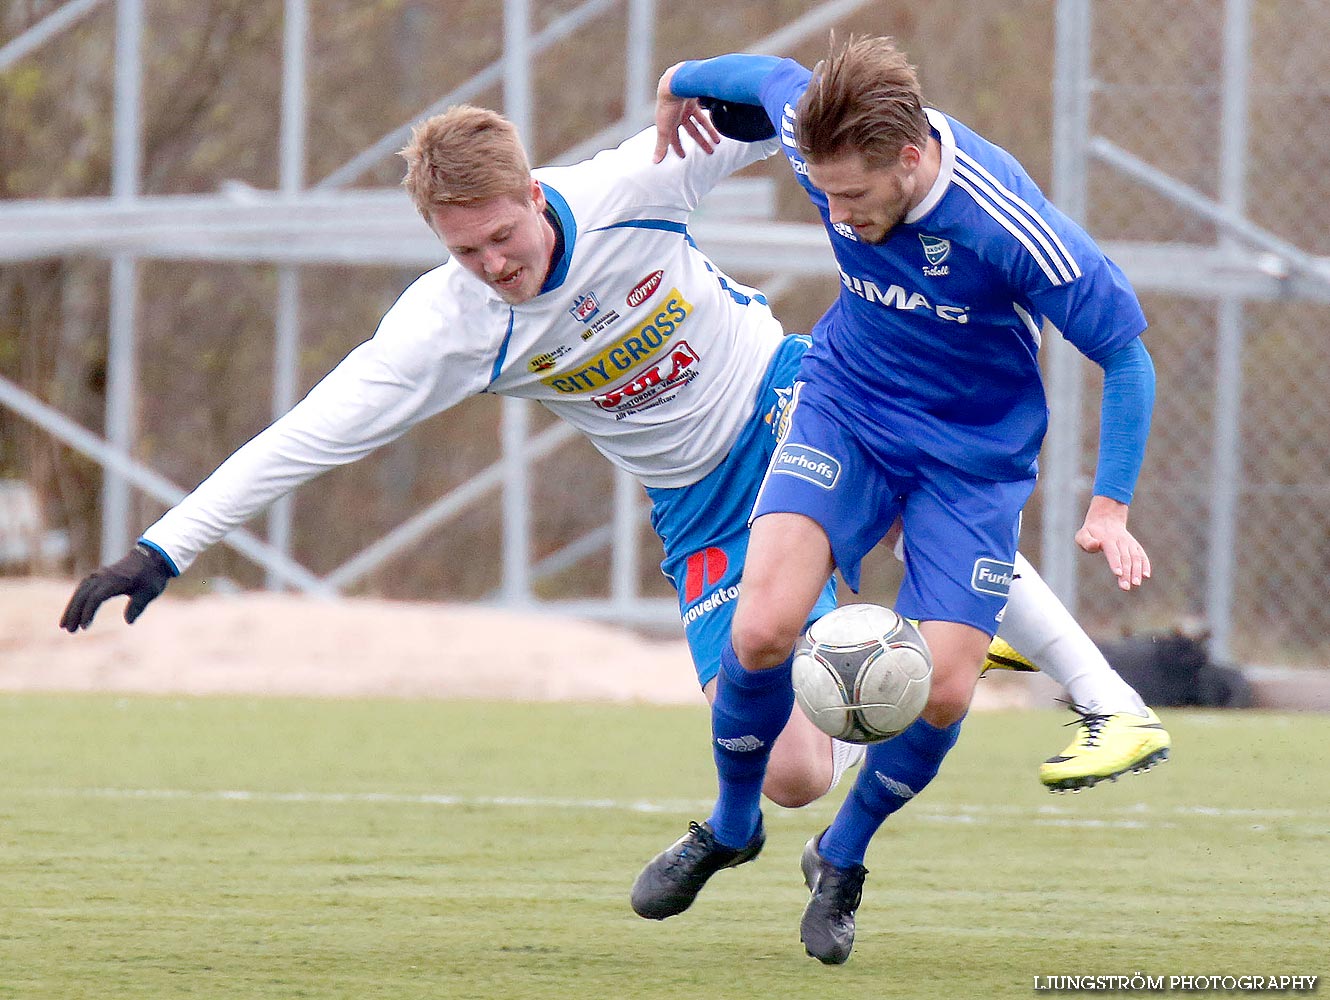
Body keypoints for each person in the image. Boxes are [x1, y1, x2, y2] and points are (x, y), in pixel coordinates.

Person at [58, 104, 1156, 816]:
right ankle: (907, 646)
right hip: (692, 508)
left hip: (788, 397)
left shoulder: (634, 184)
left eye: (504, 235)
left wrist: (860, 131)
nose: (493, 264)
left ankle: (1100, 695)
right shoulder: (447, 326)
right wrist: (163, 549)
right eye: (465, 250)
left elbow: (790, 114)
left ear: (538, 194)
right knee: (790, 778)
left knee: (925, 493)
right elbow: (305, 435)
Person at [631, 36, 1165, 965]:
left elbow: (1126, 352)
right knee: (761, 629)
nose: (835, 212)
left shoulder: (1006, 224)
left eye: (853, 198)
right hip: (848, 407)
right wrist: (678, 84)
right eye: (824, 193)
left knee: (942, 691)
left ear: (911, 159)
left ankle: (841, 859)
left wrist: (1109, 505)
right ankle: (728, 826)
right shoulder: (815, 134)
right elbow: (758, 77)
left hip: (974, 458)